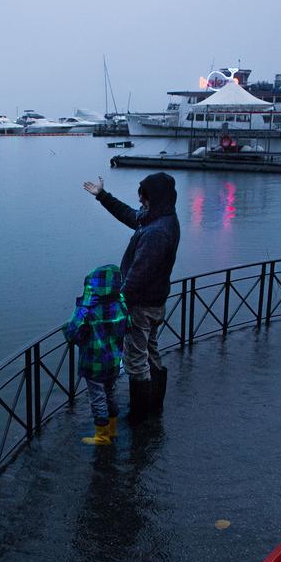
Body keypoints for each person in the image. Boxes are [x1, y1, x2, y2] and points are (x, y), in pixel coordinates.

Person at [81, 172, 179, 423]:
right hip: (155, 301)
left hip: (141, 306)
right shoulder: (161, 218)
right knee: (151, 351)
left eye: (143, 196)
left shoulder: (157, 232)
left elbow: (137, 276)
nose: (140, 201)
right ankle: (154, 405)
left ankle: (141, 417)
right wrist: (102, 196)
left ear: (152, 197)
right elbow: (130, 216)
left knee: (136, 360)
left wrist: (115, 304)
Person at [62, 264, 130, 445]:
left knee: (97, 399)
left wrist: (82, 308)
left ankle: (102, 437)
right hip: (114, 361)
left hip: (94, 362)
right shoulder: (121, 304)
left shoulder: (89, 310)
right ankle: (112, 431)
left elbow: (72, 332)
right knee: (110, 394)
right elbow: (128, 327)